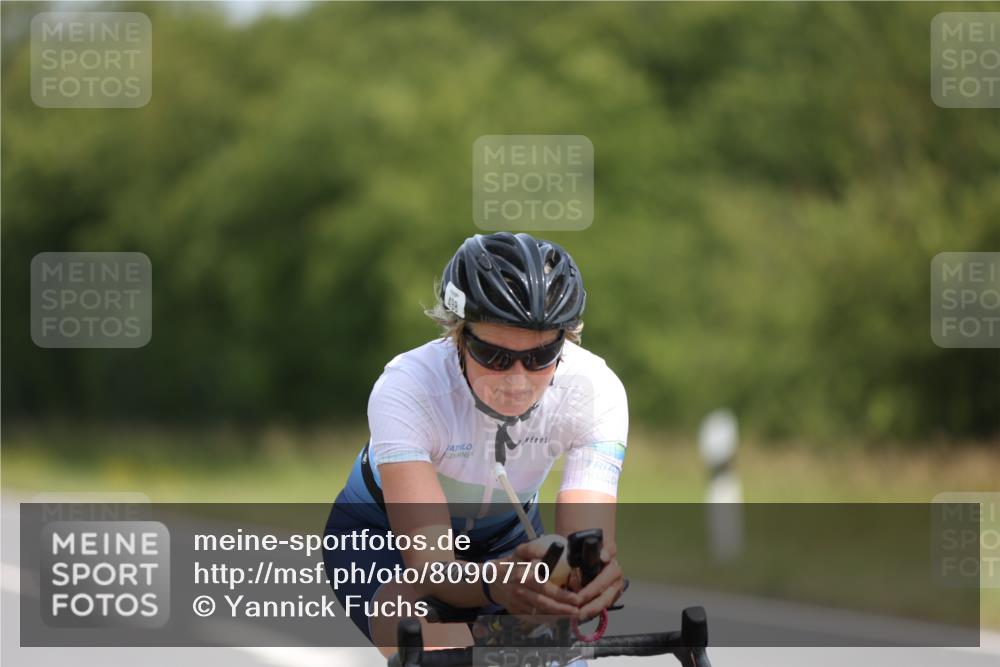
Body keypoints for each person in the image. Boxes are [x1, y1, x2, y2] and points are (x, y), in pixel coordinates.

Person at [323, 232, 628, 660]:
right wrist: (493, 584)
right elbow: (431, 570)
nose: (517, 379)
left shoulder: (595, 390)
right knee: (443, 654)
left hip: (508, 540)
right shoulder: (409, 388)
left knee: (556, 653)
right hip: (383, 541)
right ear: (459, 336)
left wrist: (586, 574)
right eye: (495, 356)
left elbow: (582, 543)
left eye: (542, 357)